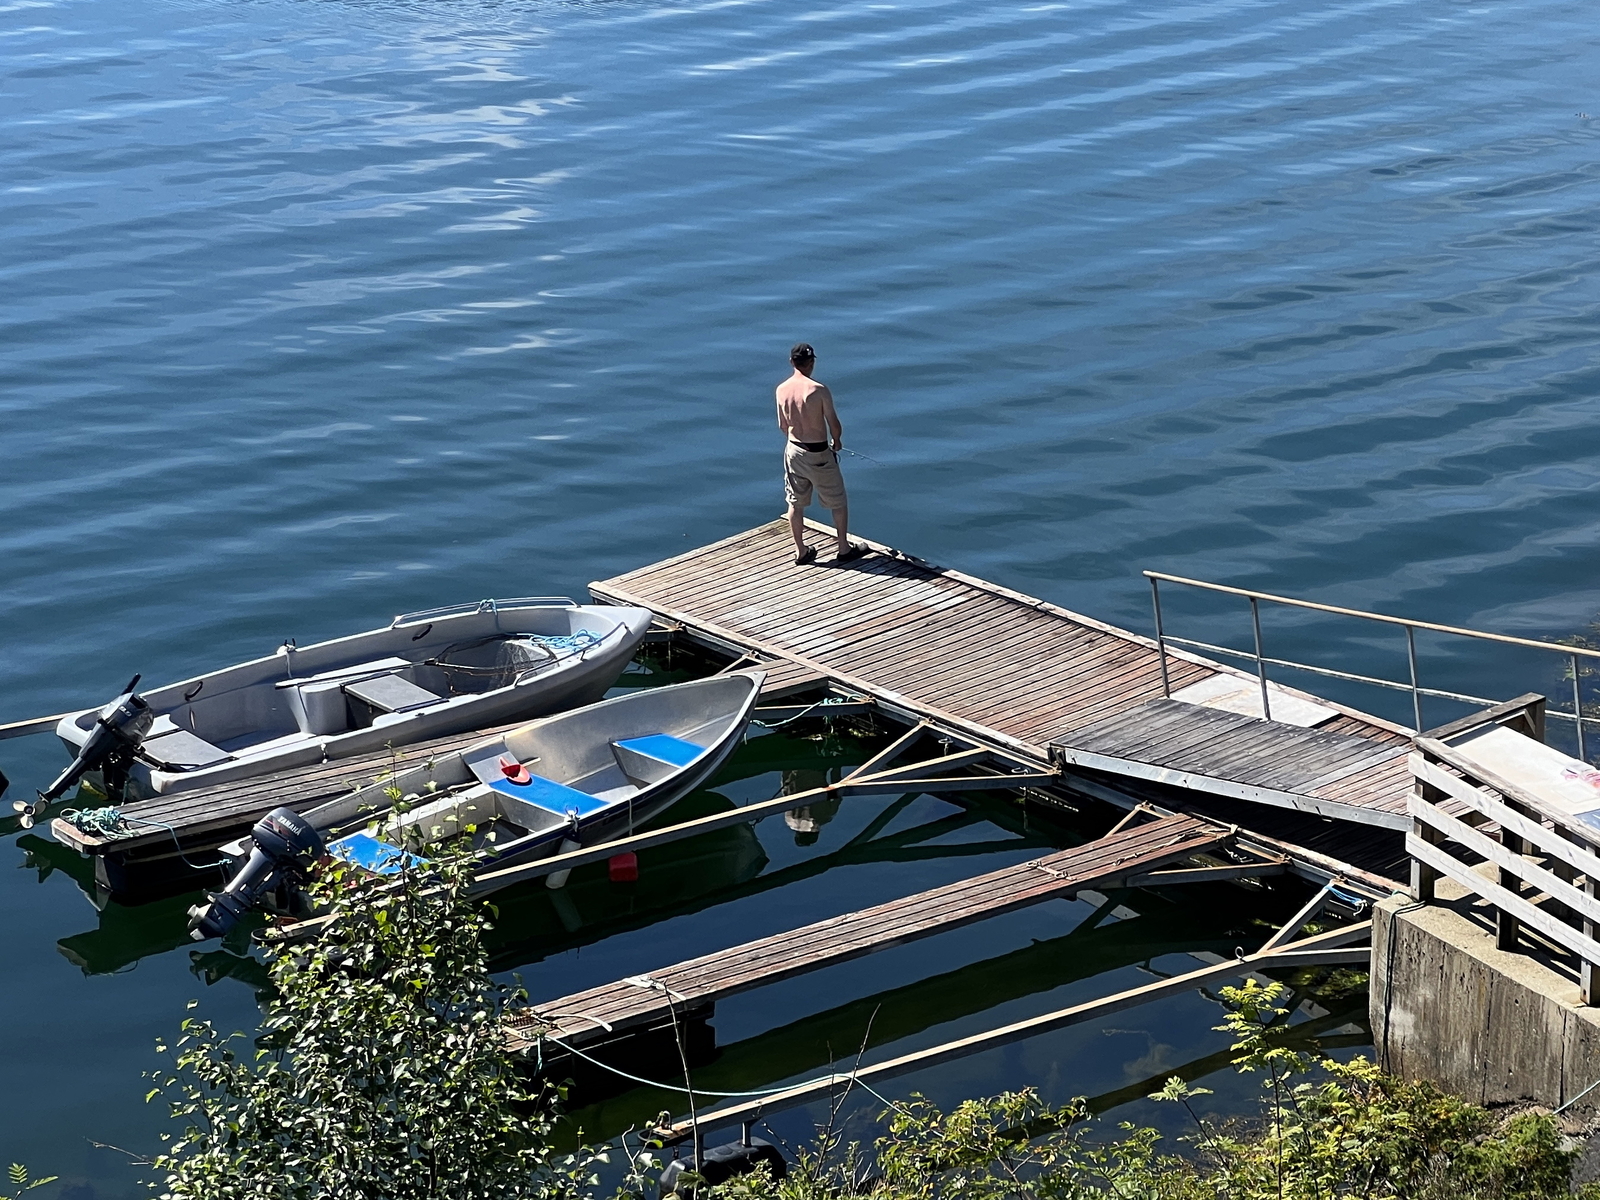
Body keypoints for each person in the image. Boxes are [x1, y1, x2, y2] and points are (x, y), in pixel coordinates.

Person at [776, 342, 863, 565]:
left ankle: (801, 551)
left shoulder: (781, 390)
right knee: (837, 500)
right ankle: (843, 548)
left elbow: (783, 425)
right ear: (812, 363)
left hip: (794, 450)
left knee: (795, 502)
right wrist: (837, 441)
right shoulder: (818, 390)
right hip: (819, 453)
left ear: (791, 362)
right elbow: (833, 423)